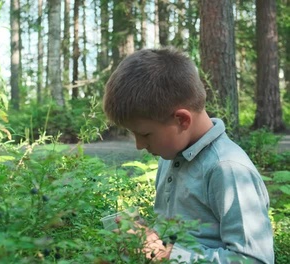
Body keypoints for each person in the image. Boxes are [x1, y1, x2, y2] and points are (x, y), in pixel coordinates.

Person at [103, 47, 274, 263]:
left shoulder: (227, 168)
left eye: (145, 134)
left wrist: (166, 254)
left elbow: (256, 259)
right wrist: (146, 237)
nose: (139, 145)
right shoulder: (173, 156)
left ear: (182, 120)